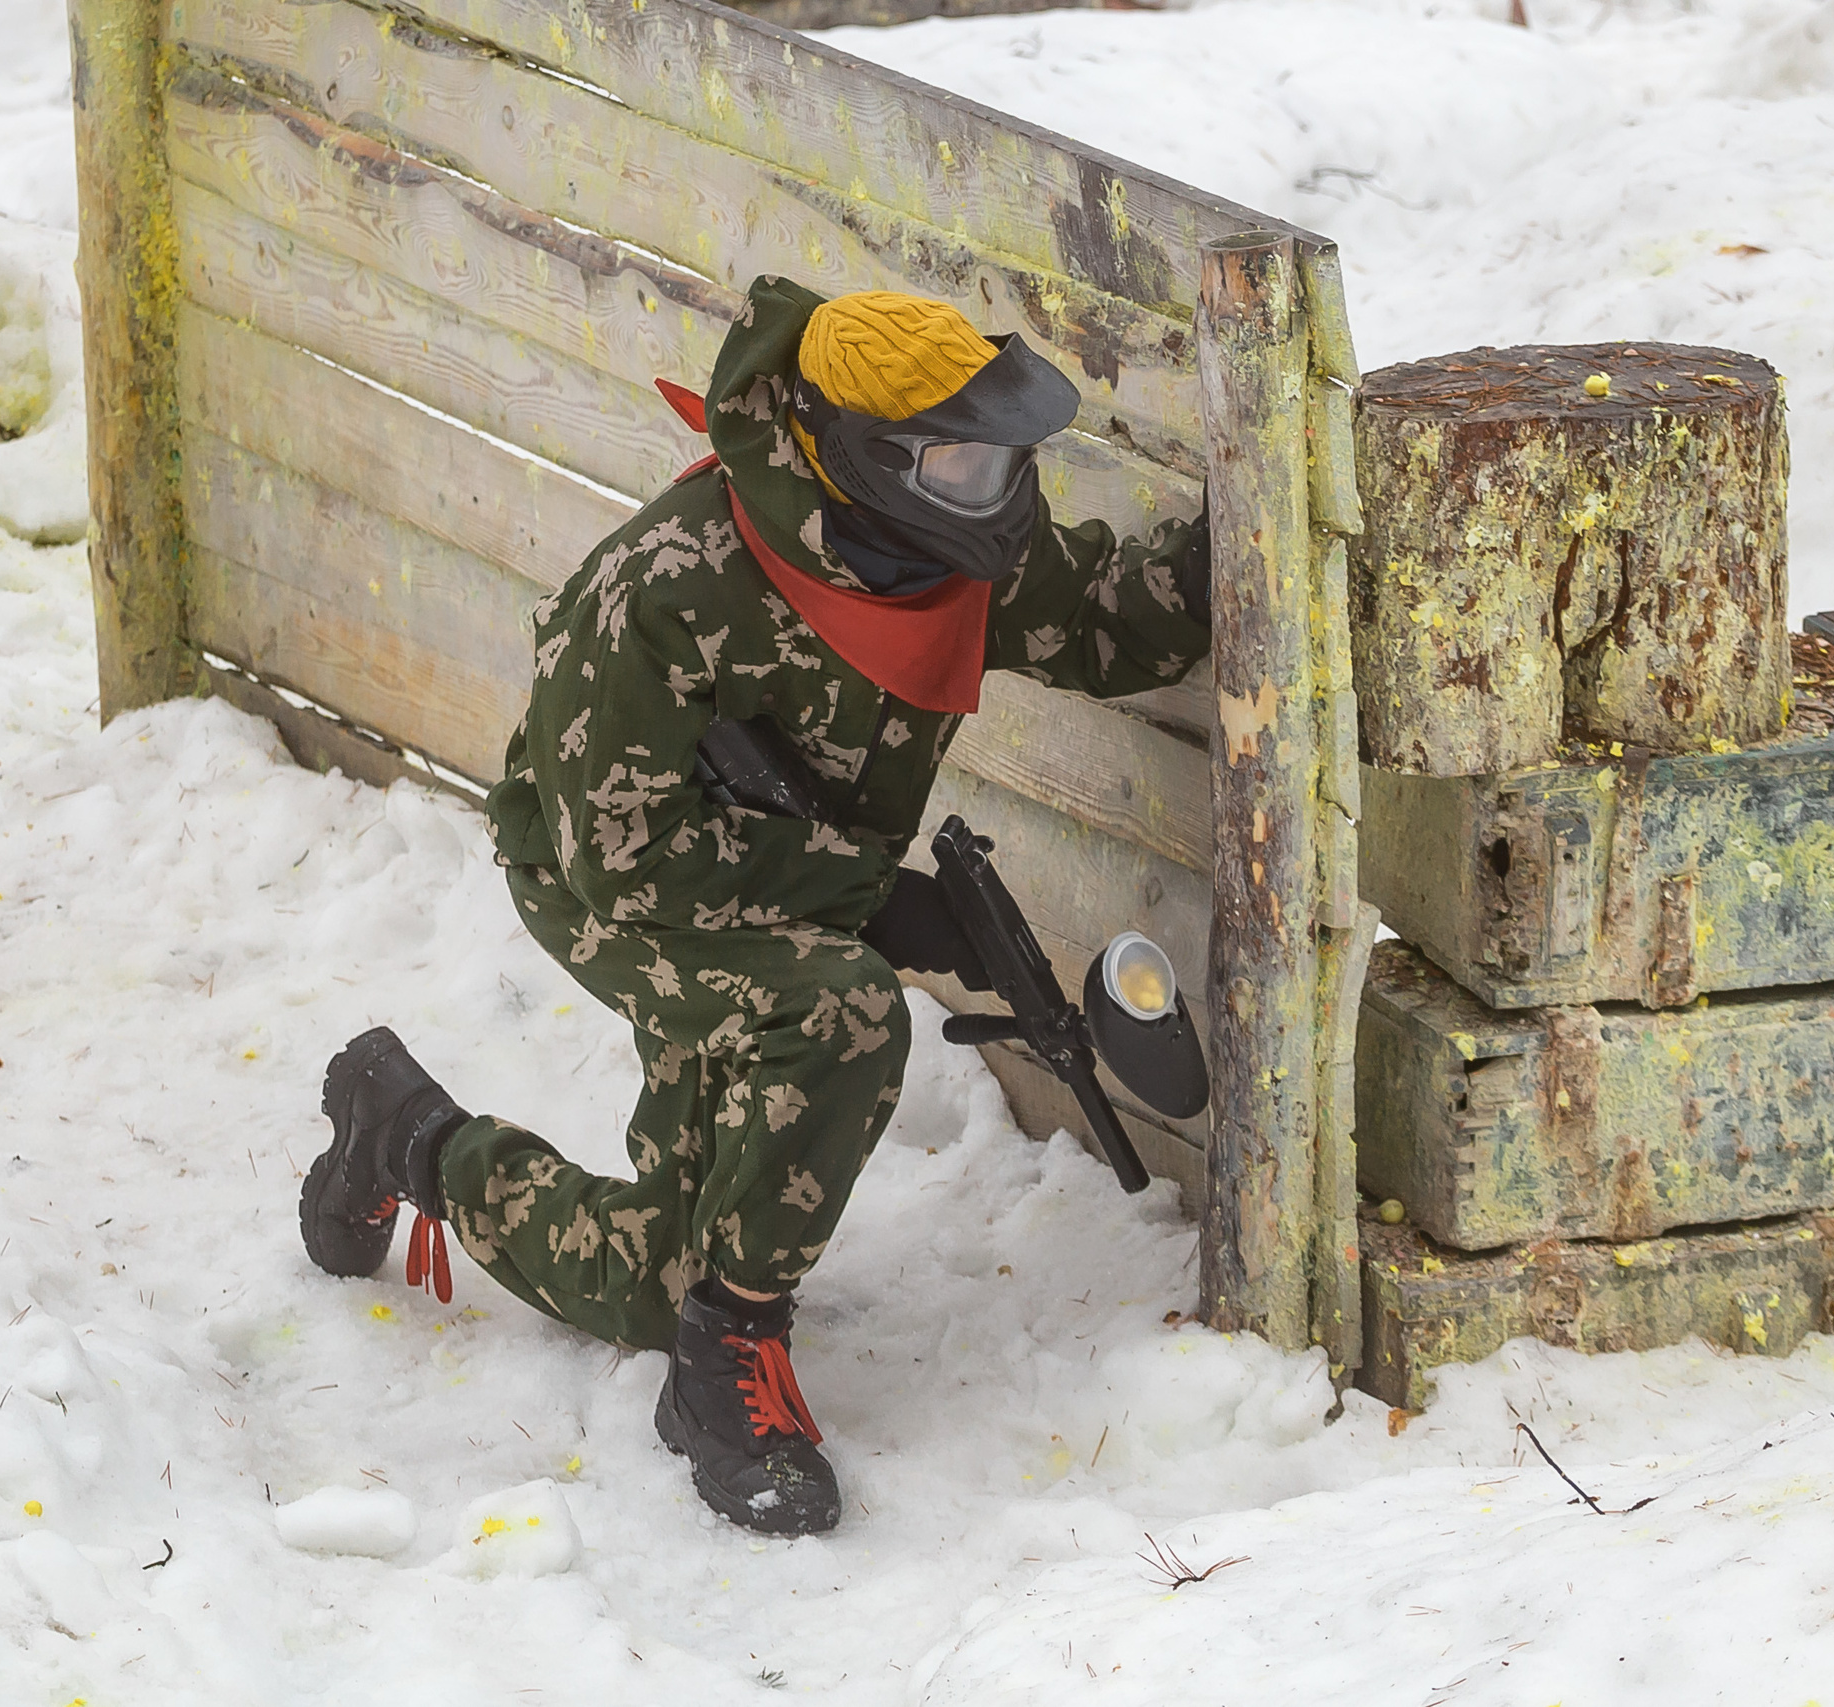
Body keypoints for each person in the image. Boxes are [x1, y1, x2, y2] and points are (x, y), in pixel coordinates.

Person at [295, 279, 1212, 1537]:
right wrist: (877, 908)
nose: (994, 495)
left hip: (775, 873)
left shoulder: (950, 541)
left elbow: (1111, 626)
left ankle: (406, 1135)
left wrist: (1252, 542)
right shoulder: (668, 589)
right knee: (837, 1015)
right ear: (858, 461)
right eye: (960, 466)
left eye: (1005, 464)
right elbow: (625, 854)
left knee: (654, 1278)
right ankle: (730, 1367)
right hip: (606, 881)